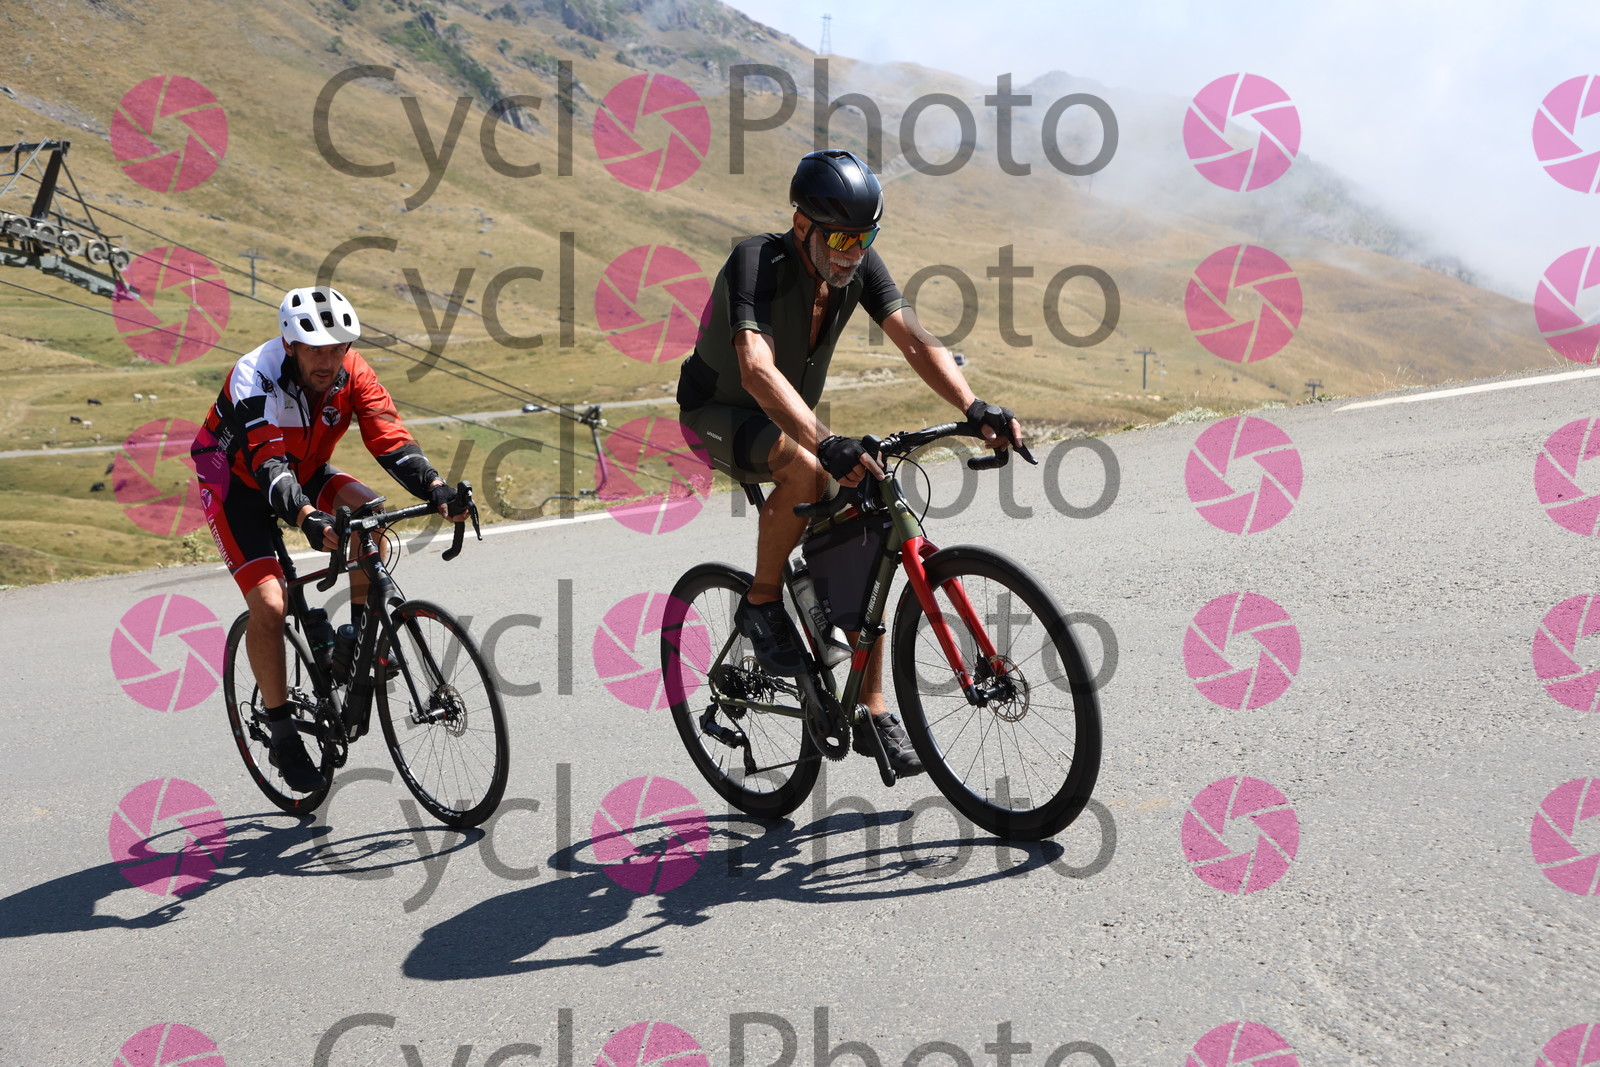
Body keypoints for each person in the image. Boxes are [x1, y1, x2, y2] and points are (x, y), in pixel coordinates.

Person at [676, 149, 1028, 778]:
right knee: (810, 470)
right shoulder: (757, 260)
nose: (852, 253)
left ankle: (871, 711)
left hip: (788, 418)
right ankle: (761, 602)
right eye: (840, 238)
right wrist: (825, 441)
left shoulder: (858, 264)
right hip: (719, 412)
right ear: (802, 224)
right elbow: (755, 368)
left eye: (865, 238)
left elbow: (914, 338)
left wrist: (973, 407)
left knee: (868, 531)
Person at [192, 286, 466, 792]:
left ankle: (356, 645)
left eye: (337, 348)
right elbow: (268, 464)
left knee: (370, 519)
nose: (328, 360)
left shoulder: (352, 370)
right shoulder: (254, 376)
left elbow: (388, 435)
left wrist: (436, 487)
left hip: (305, 468)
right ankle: (281, 730)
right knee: (270, 604)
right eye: (315, 349)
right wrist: (307, 518)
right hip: (236, 484)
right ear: (290, 344)